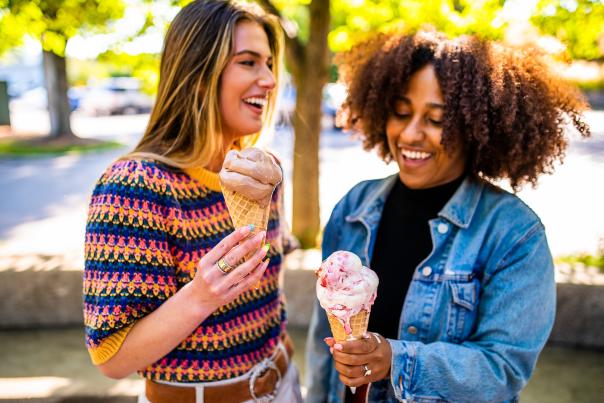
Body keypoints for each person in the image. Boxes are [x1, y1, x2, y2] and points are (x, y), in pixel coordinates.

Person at [306, 30, 590, 403]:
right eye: (401, 112)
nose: (410, 133)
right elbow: (321, 343)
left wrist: (397, 360)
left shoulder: (515, 234)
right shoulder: (354, 206)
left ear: (476, 128)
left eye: (437, 120)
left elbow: (503, 368)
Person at [83, 1, 303, 402]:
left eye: (269, 64)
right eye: (249, 62)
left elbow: (271, 295)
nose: (270, 80)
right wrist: (204, 294)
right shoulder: (134, 186)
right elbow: (110, 359)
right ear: (199, 72)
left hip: (285, 382)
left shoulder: (262, 172)